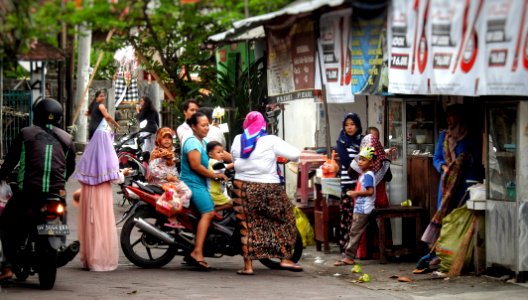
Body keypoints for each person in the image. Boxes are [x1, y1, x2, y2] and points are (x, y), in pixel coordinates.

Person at [0, 98, 76, 280]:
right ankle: (59, 244)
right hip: (55, 194)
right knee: (60, 215)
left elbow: (11, 161)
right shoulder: (68, 139)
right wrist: (59, 183)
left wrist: (2, 175)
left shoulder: (26, 134)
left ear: (37, 114)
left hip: (27, 193)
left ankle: (8, 266)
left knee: (6, 225)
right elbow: (70, 167)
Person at [230, 111, 302, 275]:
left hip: (242, 187)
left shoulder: (237, 140)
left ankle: (248, 267)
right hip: (269, 188)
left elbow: (236, 160)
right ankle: (284, 258)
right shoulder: (270, 140)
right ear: (263, 124)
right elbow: (296, 155)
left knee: (247, 226)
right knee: (285, 219)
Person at [417, 104, 483, 271]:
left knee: (461, 218)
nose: (449, 119)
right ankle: (440, 253)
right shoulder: (444, 137)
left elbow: (478, 158)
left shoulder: (472, 137)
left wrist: (466, 160)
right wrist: (445, 169)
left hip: (467, 184)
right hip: (447, 184)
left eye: (452, 116)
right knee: (445, 216)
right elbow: (437, 158)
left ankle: (460, 254)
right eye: (448, 116)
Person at [179, 112, 227, 270]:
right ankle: (197, 252)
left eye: (208, 125)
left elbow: (220, 153)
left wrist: (238, 159)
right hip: (193, 184)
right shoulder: (192, 142)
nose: (206, 128)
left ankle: (193, 247)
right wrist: (215, 175)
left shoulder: (203, 141)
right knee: (208, 212)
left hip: (202, 183)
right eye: (203, 125)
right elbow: (196, 166)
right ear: (194, 126)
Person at [75, 118, 122, 271]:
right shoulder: (108, 153)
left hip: (88, 193)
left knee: (91, 224)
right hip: (101, 193)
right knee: (101, 224)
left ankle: (90, 259)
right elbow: (115, 177)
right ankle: (99, 260)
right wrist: (123, 174)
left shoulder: (89, 154)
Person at [349, 133, 392, 259]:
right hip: (380, 200)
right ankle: (382, 251)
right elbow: (389, 178)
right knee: (378, 226)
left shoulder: (360, 161)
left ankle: (364, 253)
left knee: (363, 227)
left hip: (365, 201)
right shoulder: (382, 161)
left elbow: (350, 173)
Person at [334, 146, 377, 266]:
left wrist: (356, 193)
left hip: (364, 209)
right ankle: (349, 255)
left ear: (371, 163)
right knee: (354, 231)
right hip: (361, 208)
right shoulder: (364, 175)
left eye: (363, 160)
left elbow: (370, 192)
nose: (360, 162)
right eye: (359, 159)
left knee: (354, 232)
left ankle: (349, 257)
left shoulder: (368, 175)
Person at [148, 127, 192, 228]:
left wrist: (175, 177)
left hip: (169, 181)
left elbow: (172, 169)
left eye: (170, 137)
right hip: (161, 182)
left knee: (186, 190)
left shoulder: (170, 153)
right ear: (159, 139)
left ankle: (177, 212)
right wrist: (167, 176)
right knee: (186, 192)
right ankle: (172, 215)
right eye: (164, 137)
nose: (167, 140)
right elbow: (153, 169)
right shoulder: (156, 153)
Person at [335, 112, 364, 252]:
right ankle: (345, 246)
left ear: (358, 126)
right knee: (347, 216)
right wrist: (362, 167)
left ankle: (357, 248)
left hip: (361, 184)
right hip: (348, 184)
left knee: (359, 217)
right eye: (347, 125)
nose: (349, 127)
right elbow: (347, 163)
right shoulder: (341, 142)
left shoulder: (362, 141)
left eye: (352, 124)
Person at [207, 141, 233, 211]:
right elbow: (225, 166)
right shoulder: (213, 162)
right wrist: (236, 163)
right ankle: (213, 211)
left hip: (216, 191)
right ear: (210, 154)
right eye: (218, 152)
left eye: (222, 152)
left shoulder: (213, 161)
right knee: (231, 203)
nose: (221, 154)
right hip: (215, 192)